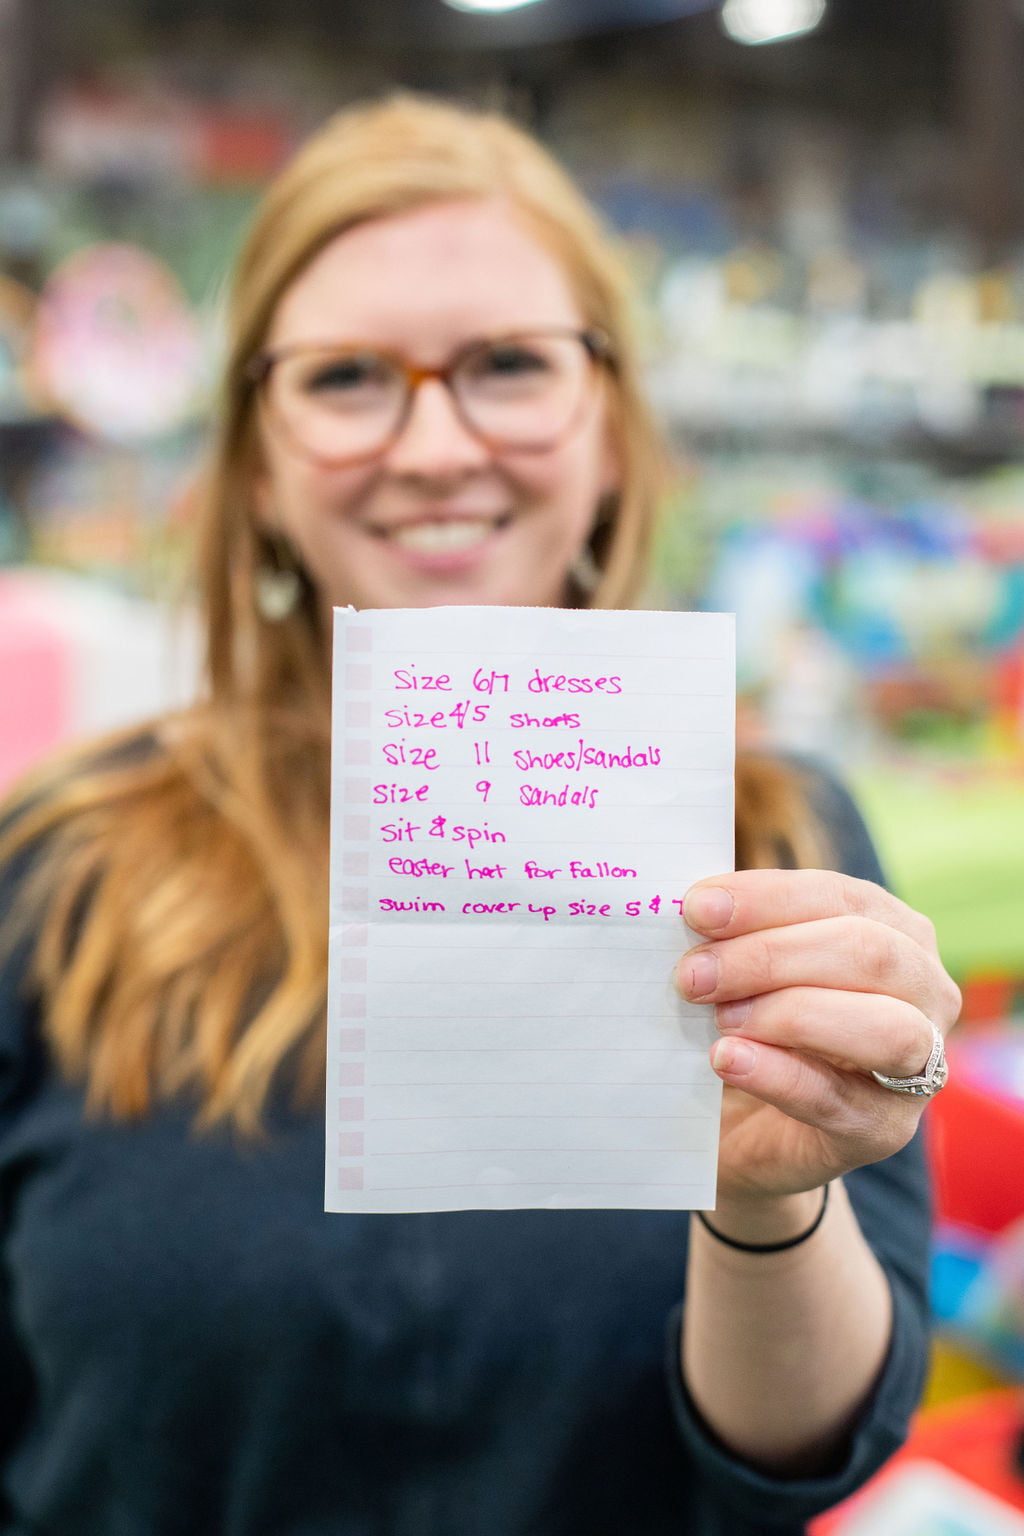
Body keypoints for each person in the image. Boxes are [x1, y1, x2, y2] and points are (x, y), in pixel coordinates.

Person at [0, 94, 960, 1535]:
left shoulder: (781, 844)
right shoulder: (55, 859)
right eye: (346, 380)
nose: (437, 444)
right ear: (257, 461)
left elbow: (801, 1451)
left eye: (509, 365)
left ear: (613, 434)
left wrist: (766, 1199)